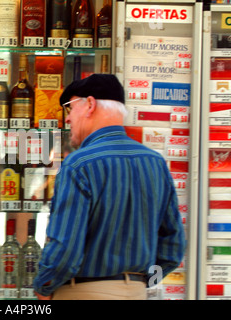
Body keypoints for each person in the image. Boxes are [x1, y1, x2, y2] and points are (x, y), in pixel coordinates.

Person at [33, 74, 186, 300]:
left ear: (90, 105)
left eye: (69, 109)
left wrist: (43, 286)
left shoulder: (79, 164)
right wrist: (141, 282)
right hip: (136, 292)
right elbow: (172, 249)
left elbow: (65, 249)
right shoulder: (155, 162)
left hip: (83, 292)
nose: (67, 119)